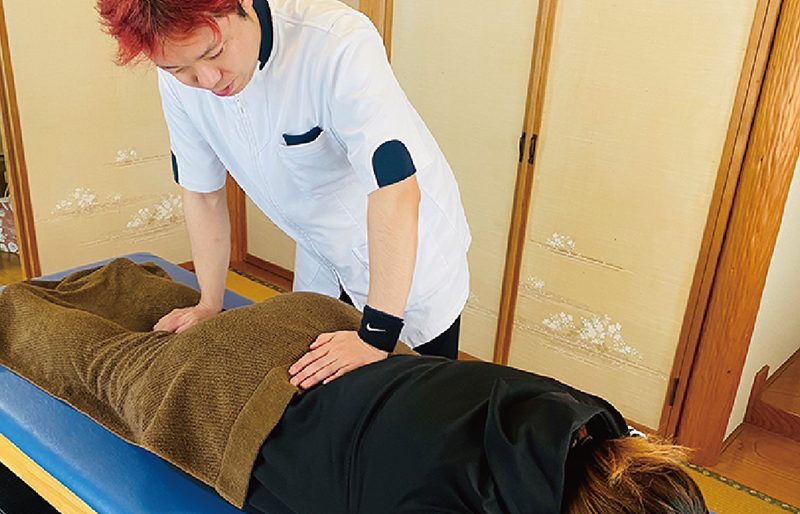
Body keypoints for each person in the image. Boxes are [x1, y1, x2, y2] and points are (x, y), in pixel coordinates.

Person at [0, 260, 709, 514]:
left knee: (187, 323)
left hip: (324, 329)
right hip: (234, 394)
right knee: (101, 369)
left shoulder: (586, 420)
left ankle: (120, 281)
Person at [97, 0, 472, 388]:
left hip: (406, 258)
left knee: (415, 402)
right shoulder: (179, 80)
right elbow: (202, 192)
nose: (207, 79)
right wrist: (209, 303)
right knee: (323, 395)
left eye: (215, 51)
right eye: (179, 69)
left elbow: (394, 189)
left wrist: (375, 337)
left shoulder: (336, 42)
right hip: (321, 256)